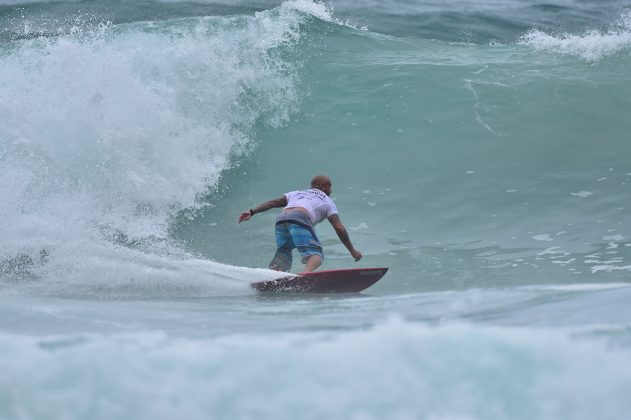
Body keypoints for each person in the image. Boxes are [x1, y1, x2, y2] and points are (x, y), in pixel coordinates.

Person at [238, 175, 362, 273]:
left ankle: (275, 275)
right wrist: (352, 251)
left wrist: (252, 211)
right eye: (330, 187)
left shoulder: (296, 193)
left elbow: (273, 202)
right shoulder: (327, 201)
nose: (331, 191)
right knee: (316, 254)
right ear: (323, 186)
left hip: (281, 218)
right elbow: (339, 227)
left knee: (284, 250)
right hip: (299, 217)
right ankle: (307, 274)